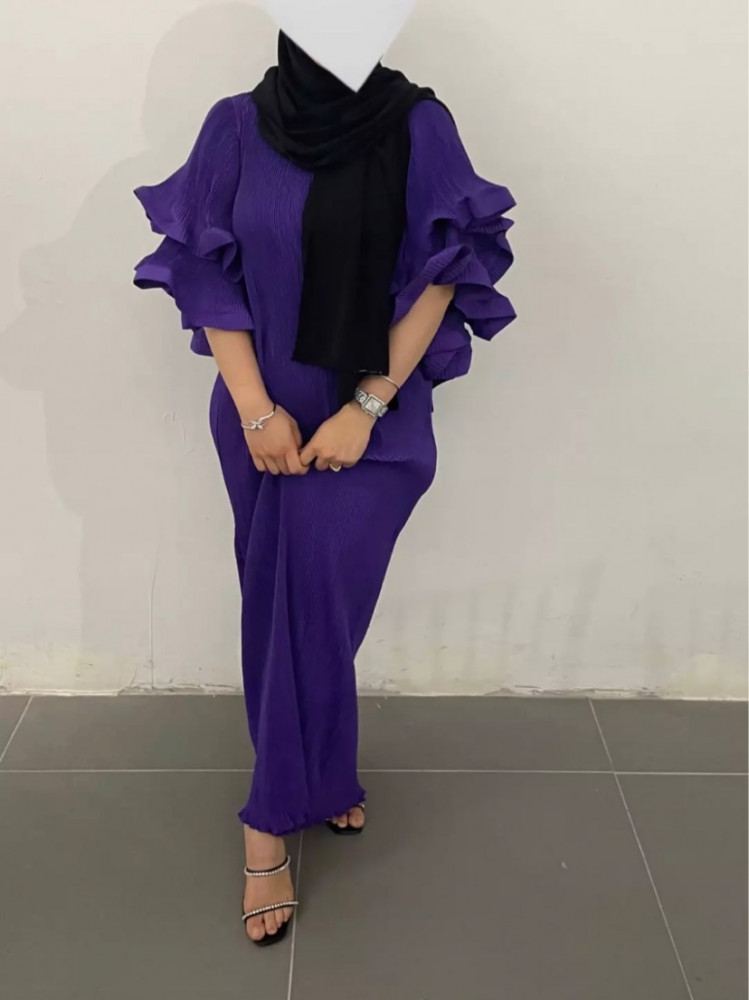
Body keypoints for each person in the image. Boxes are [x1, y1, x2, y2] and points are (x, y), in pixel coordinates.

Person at [133, 31, 516, 947]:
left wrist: (365, 406)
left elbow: (441, 274)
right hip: (261, 418)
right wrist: (257, 410)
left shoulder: (419, 126)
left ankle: (283, 804)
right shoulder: (234, 127)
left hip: (370, 420)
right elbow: (207, 275)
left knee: (315, 602)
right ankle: (299, 793)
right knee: (286, 602)